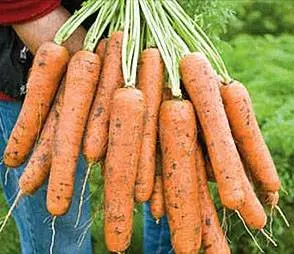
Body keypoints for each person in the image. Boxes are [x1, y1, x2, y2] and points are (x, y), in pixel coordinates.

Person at [0, 1, 172, 253]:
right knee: (60, 236)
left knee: (169, 180)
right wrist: (105, 74)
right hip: (36, 74)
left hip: (144, 54)